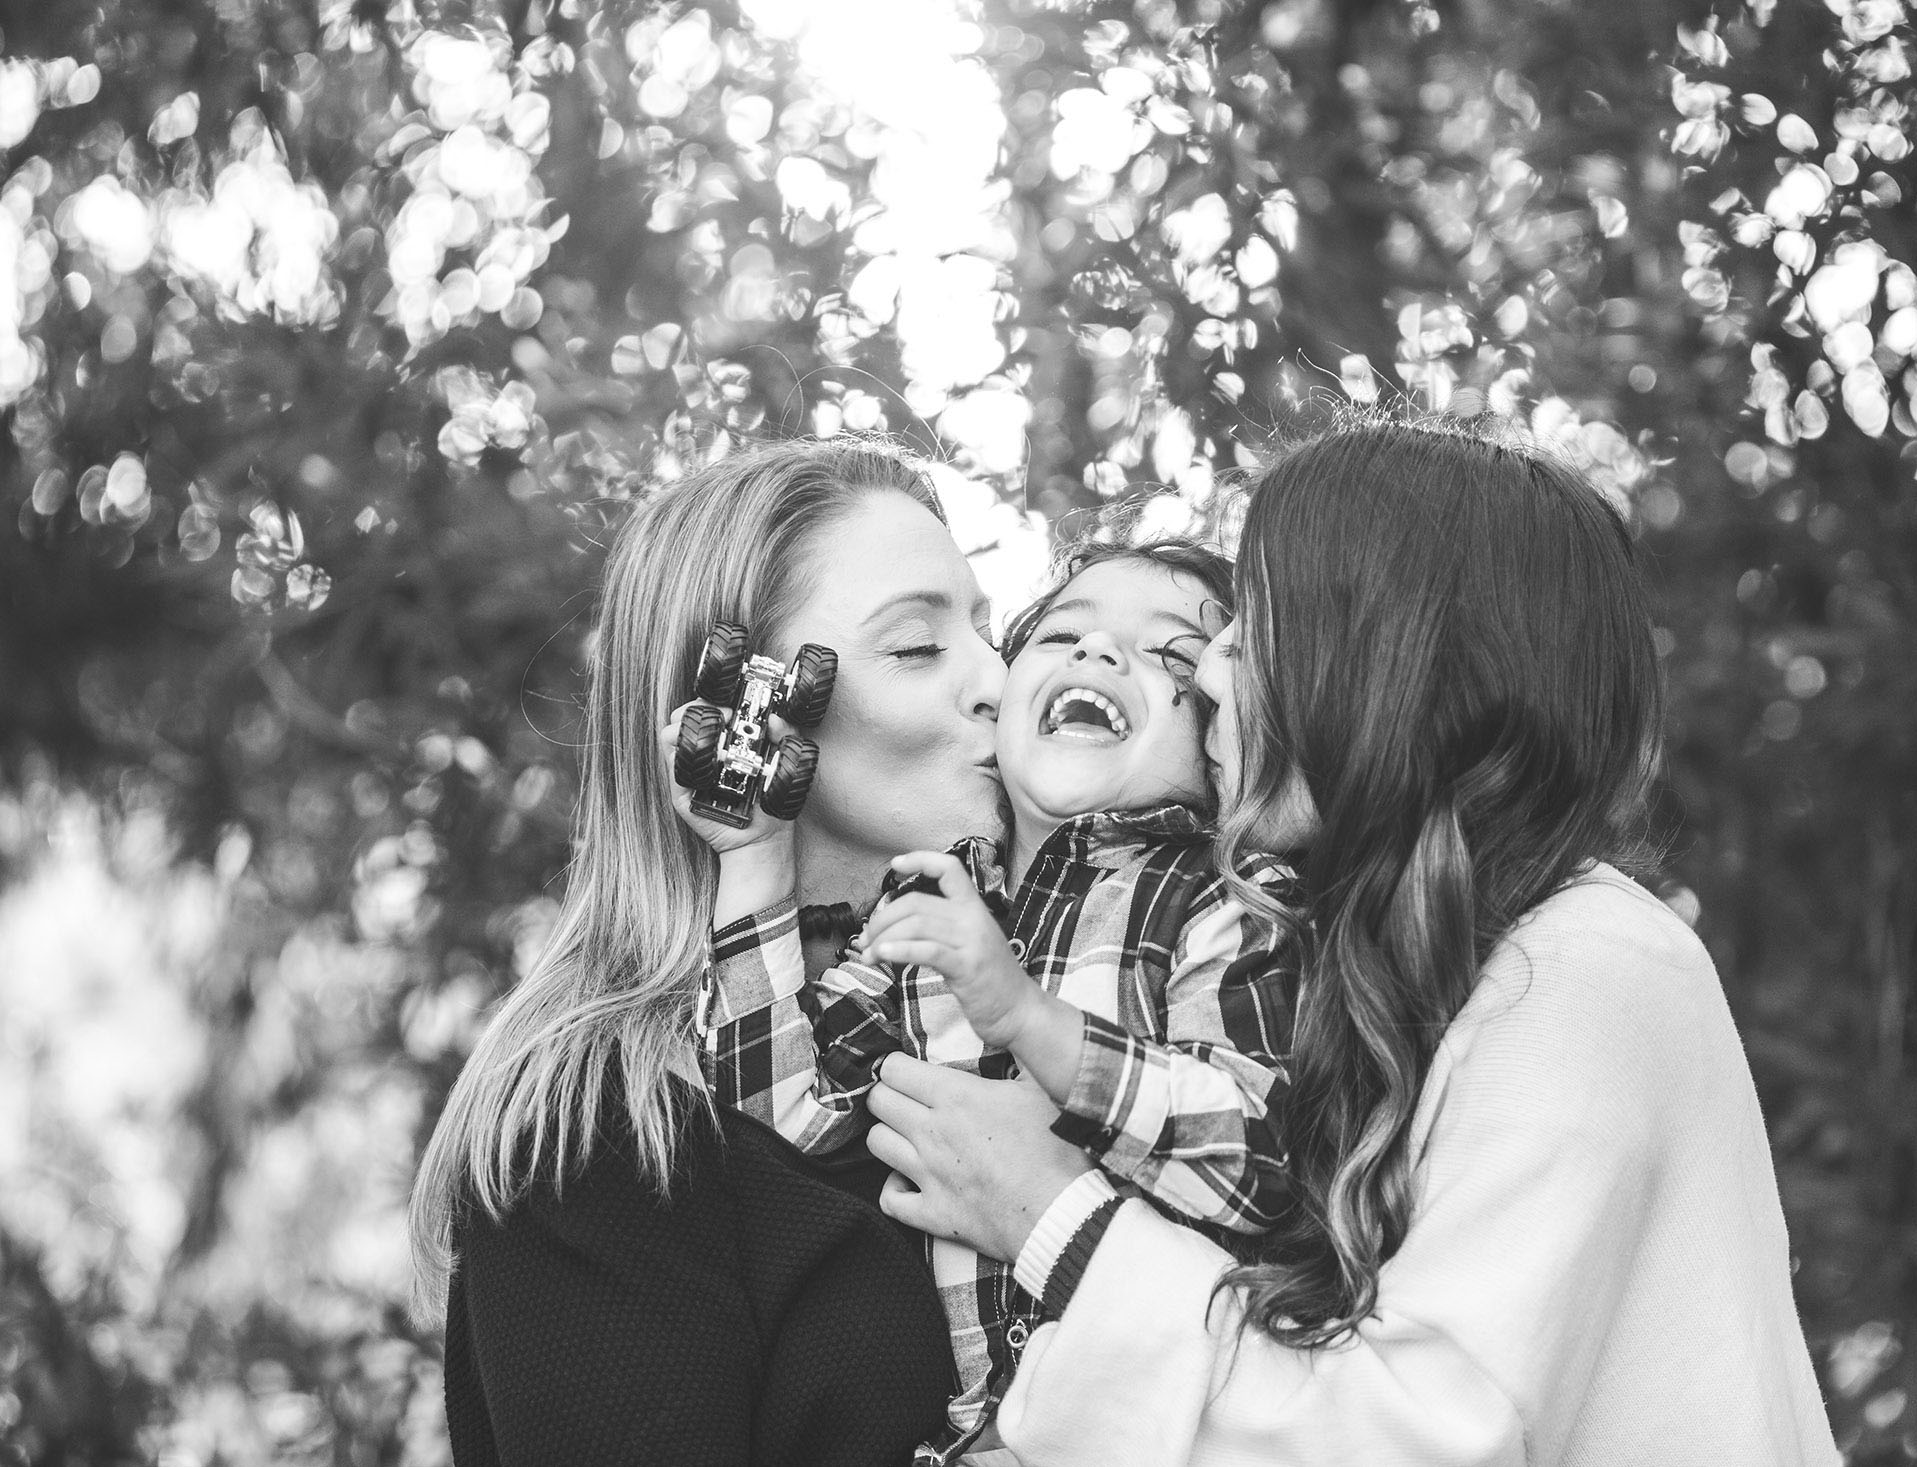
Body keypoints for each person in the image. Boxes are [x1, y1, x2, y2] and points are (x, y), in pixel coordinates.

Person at [863, 419, 1844, 1466]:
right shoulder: (1378, 967)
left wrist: (1052, 1213)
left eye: (1250, 632)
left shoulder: (1588, 968)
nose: (1211, 676)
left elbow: (1415, 1436)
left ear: (1378, 661)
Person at [408, 440, 1004, 1466]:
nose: (999, 683)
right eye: (915, 650)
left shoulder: (1034, 1015)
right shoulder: (604, 1127)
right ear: (741, 711)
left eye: (995, 633)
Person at [696, 540, 1298, 1462]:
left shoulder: (1225, 895)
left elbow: (1253, 1159)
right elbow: (785, 1130)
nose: (1099, 655)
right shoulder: (927, 902)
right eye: (1061, 634)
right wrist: (751, 859)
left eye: (1170, 654)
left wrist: (1026, 1018)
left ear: (1220, 737)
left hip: (1168, 1421)